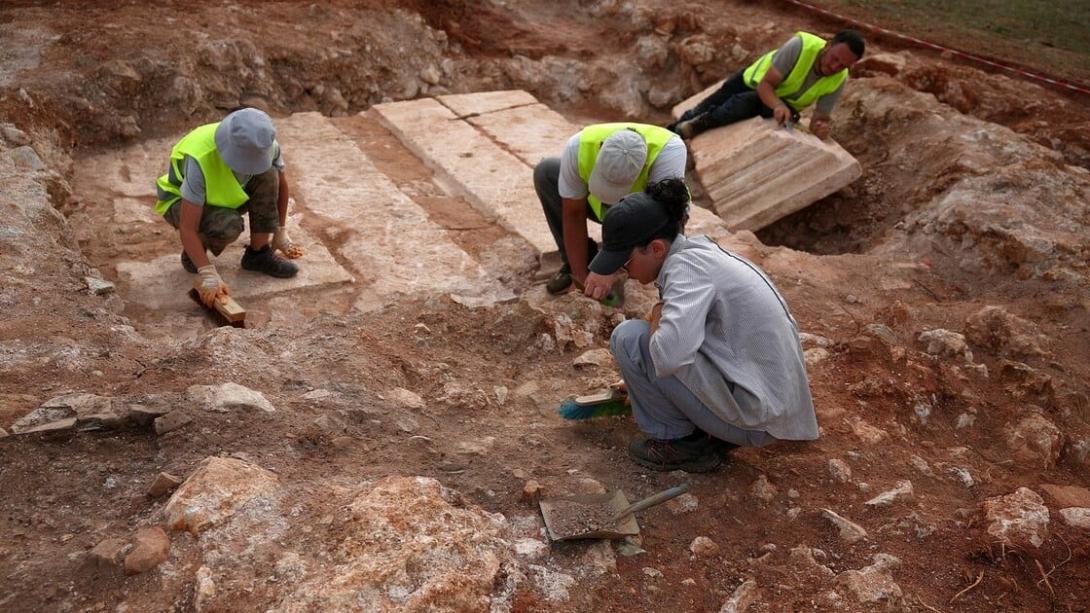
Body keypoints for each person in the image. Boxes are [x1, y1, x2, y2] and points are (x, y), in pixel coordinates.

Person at [591, 178, 818, 472]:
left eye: (625, 262)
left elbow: (667, 357)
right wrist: (642, 379)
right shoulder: (699, 253)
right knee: (654, 339)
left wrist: (657, 316)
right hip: (770, 403)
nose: (625, 272)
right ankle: (706, 424)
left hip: (757, 419)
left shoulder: (686, 271)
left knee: (628, 337)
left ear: (656, 248)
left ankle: (678, 443)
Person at [154, 107, 305, 307]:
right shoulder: (200, 158)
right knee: (227, 225)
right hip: (180, 202)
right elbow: (187, 227)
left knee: (269, 174)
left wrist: (280, 230)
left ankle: (258, 254)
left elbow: (281, 185)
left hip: (227, 196)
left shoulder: (265, 146)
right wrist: (208, 274)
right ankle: (195, 254)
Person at [533, 122, 686, 300]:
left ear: (644, 165)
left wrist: (610, 266)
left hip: (643, 215)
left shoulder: (669, 151)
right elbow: (573, 214)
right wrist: (580, 276)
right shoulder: (577, 147)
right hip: (604, 210)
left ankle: (659, 279)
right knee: (546, 172)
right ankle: (580, 261)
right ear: (600, 148)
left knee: (666, 227)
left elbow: (668, 218)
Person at [669, 30, 865, 141]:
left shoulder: (840, 78)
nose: (835, 67)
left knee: (745, 104)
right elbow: (766, 86)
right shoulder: (800, 46)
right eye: (834, 59)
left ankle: (697, 126)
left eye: (843, 66)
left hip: (783, 106)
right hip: (752, 84)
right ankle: (669, 134)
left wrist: (820, 128)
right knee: (703, 108)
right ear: (827, 45)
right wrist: (777, 105)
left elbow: (820, 118)